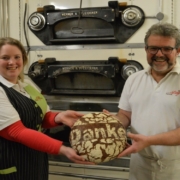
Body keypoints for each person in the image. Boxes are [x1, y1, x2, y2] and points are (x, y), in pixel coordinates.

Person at [0, 37, 92, 180]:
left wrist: (58, 117)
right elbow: (15, 131)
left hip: (36, 159)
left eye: (17, 57)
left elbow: (40, 117)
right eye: (5, 58)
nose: (12, 62)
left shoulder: (26, 85)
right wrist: (62, 149)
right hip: (11, 162)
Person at [113, 22, 180, 179]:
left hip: (174, 165)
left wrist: (148, 141)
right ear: (146, 49)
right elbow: (125, 115)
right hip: (139, 163)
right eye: (153, 48)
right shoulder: (134, 79)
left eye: (167, 49)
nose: (159, 54)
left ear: (177, 51)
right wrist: (111, 123)